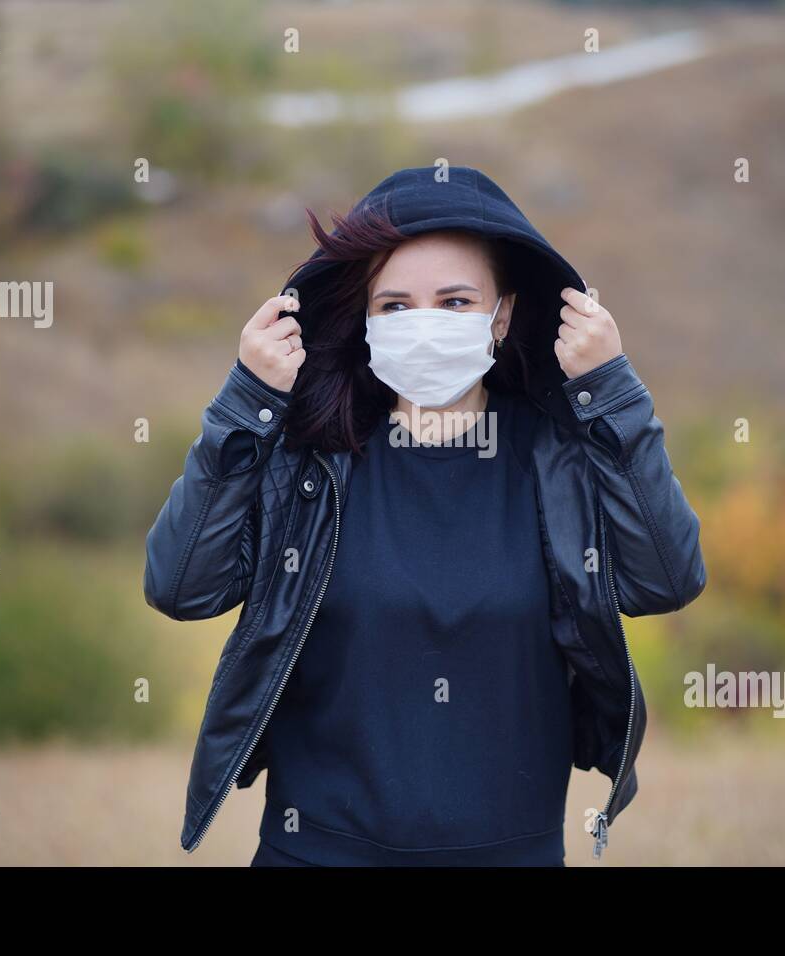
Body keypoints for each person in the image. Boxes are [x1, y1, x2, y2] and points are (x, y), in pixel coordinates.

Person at [143, 166, 706, 866]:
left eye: (455, 300)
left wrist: (612, 391)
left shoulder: (557, 459)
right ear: (367, 322)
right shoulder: (308, 463)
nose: (425, 324)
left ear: (501, 316)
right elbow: (180, 587)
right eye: (397, 306)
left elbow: (668, 579)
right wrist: (244, 403)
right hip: (314, 853)